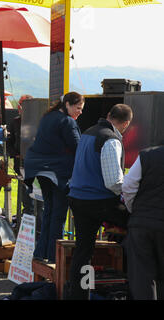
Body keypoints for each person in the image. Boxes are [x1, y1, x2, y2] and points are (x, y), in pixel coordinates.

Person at [66, 104, 133, 300]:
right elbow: (113, 182)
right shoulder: (111, 140)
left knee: (83, 251)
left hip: (78, 198)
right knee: (139, 225)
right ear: (126, 124)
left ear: (109, 115)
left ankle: (79, 296)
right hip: (99, 200)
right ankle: (134, 284)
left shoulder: (88, 132)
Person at [24, 92, 84, 263]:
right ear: (67, 105)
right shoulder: (68, 121)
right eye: (78, 108)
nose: (80, 112)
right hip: (58, 173)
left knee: (49, 211)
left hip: (40, 170)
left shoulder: (48, 117)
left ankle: (41, 252)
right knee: (58, 215)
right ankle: (54, 256)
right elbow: (77, 147)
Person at [122, 145, 164, 300]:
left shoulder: (148, 155)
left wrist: (135, 209)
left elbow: (128, 185)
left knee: (142, 277)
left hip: (142, 224)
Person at [7, 95, 43, 222]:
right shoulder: (15, 122)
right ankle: (27, 227)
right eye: (21, 105)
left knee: (39, 202)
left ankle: (39, 229)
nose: (20, 108)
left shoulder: (40, 122)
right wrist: (15, 153)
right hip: (21, 167)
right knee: (27, 201)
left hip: (38, 168)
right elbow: (9, 142)